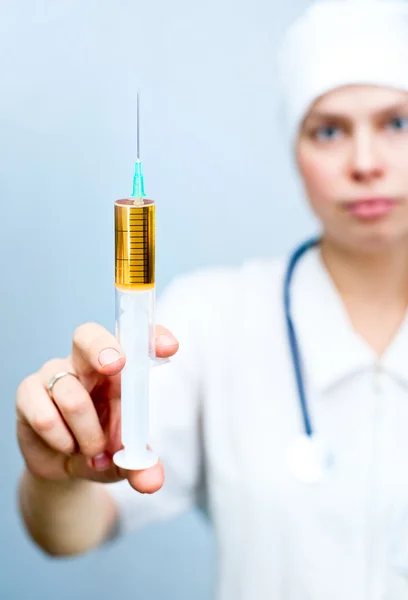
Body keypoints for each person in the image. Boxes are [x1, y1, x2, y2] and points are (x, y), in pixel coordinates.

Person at [15, 1, 408, 598]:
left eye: (397, 123)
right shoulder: (214, 319)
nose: (365, 163)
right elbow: (71, 532)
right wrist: (57, 474)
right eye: (328, 129)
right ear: (295, 148)